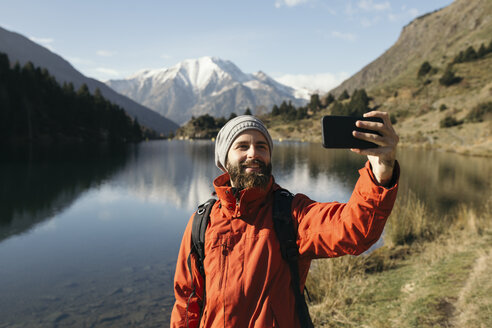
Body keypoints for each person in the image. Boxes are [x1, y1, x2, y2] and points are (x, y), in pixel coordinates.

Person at [171, 112, 399, 327]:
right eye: (242, 146)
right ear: (224, 161)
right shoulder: (202, 223)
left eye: (261, 146)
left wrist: (380, 174)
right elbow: (186, 302)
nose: (253, 153)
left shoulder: (291, 213)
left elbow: (353, 229)